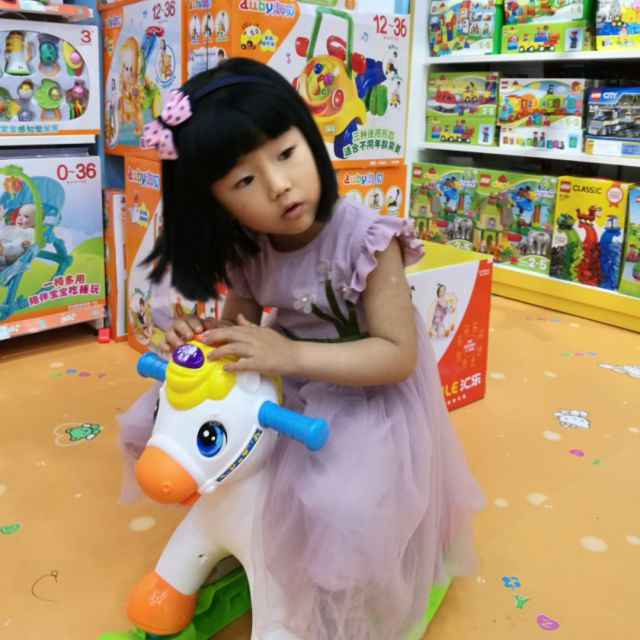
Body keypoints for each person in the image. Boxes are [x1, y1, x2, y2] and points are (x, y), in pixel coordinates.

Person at [118, 58, 484, 640]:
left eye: (286, 153)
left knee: (338, 501)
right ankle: (216, 545)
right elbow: (239, 329)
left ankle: (331, 585)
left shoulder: (367, 238)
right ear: (217, 203)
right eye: (243, 181)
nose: (278, 184)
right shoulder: (248, 245)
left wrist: (288, 356)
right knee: (167, 414)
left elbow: (397, 355)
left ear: (310, 139)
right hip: (287, 373)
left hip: (367, 388)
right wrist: (202, 342)